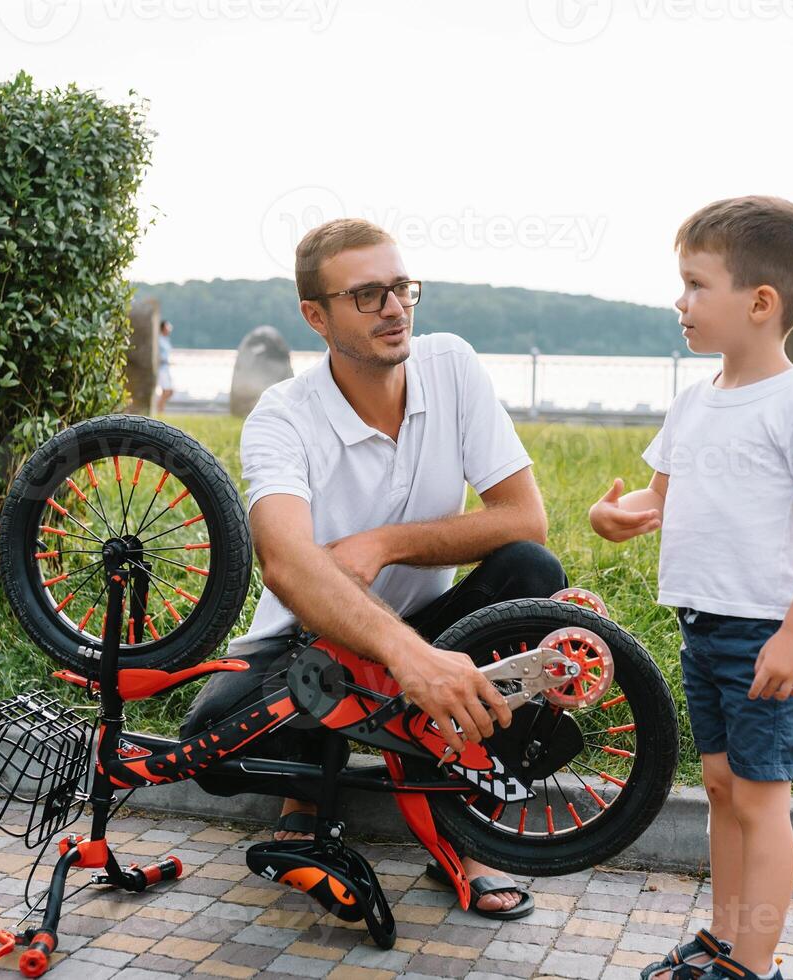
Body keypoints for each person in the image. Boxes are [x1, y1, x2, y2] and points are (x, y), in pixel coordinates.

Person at [180, 217, 567, 919]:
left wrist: (384, 543)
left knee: (529, 568)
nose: (394, 308)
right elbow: (288, 564)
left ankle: (463, 817)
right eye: (367, 295)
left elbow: (522, 517)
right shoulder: (282, 417)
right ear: (316, 316)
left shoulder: (450, 365)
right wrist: (405, 656)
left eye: (400, 288)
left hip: (432, 638)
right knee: (211, 751)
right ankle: (306, 799)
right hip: (310, 650)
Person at [588, 196, 793, 980]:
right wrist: (616, 514)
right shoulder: (694, 404)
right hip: (701, 627)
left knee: (763, 799)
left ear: (761, 303)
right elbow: (659, 497)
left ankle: (754, 964)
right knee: (720, 786)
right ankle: (724, 937)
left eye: (697, 285)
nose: (681, 301)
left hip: (762, 632)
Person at [156, 320, 174, 414]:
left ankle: (160, 409)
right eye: (168, 327)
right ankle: (159, 410)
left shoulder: (166, 340)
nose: (170, 329)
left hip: (166, 368)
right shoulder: (158, 340)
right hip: (161, 368)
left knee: (169, 391)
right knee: (167, 391)